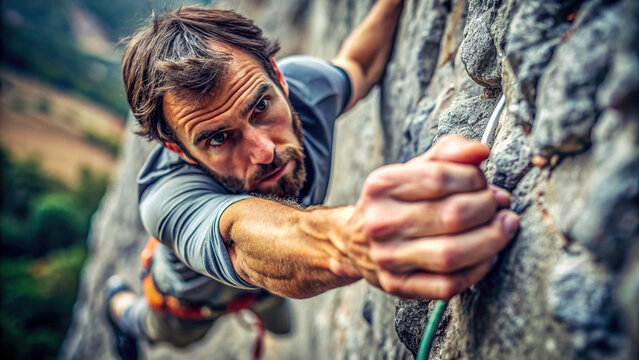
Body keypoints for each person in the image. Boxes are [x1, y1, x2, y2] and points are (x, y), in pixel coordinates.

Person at [105, 1, 520, 359]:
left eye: (261, 106)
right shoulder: (166, 197)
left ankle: (264, 301)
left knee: (278, 313)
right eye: (218, 138)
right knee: (166, 335)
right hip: (189, 304)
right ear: (180, 151)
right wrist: (349, 240)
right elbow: (240, 238)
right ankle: (117, 307)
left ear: (278, 78)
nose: (264, 151)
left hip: (269, 280)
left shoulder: (301, 88)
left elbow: (356, 64)